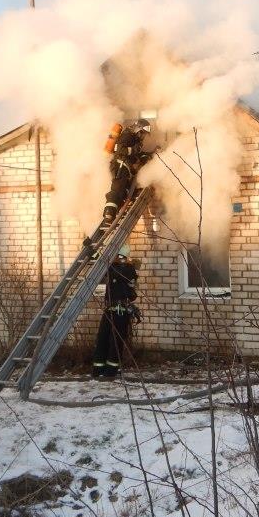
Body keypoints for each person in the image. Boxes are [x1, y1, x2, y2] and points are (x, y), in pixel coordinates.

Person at [91, 248, 141, 378]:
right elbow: (100, 265)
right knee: (102, 339)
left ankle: (111, 371)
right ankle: (98, 369)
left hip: (121, 311)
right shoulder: (112, 267)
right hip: (109, 309)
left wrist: (103, 259)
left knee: (116, 341)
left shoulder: (128, 269)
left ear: (120, 256)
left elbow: (118, 273)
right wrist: (92, 249)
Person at [102, 118, 152, 224]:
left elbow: (135, 155)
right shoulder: (127, 135)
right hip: (119, 165)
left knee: (124, 192)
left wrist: (146, 155)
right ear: (138, 130)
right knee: (117, 189)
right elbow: (119, 149)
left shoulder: (134, 139)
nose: (143, 137)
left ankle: (114, 213)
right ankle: (109, 213)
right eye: (143, 134)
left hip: (125, 167)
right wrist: (134, 150)